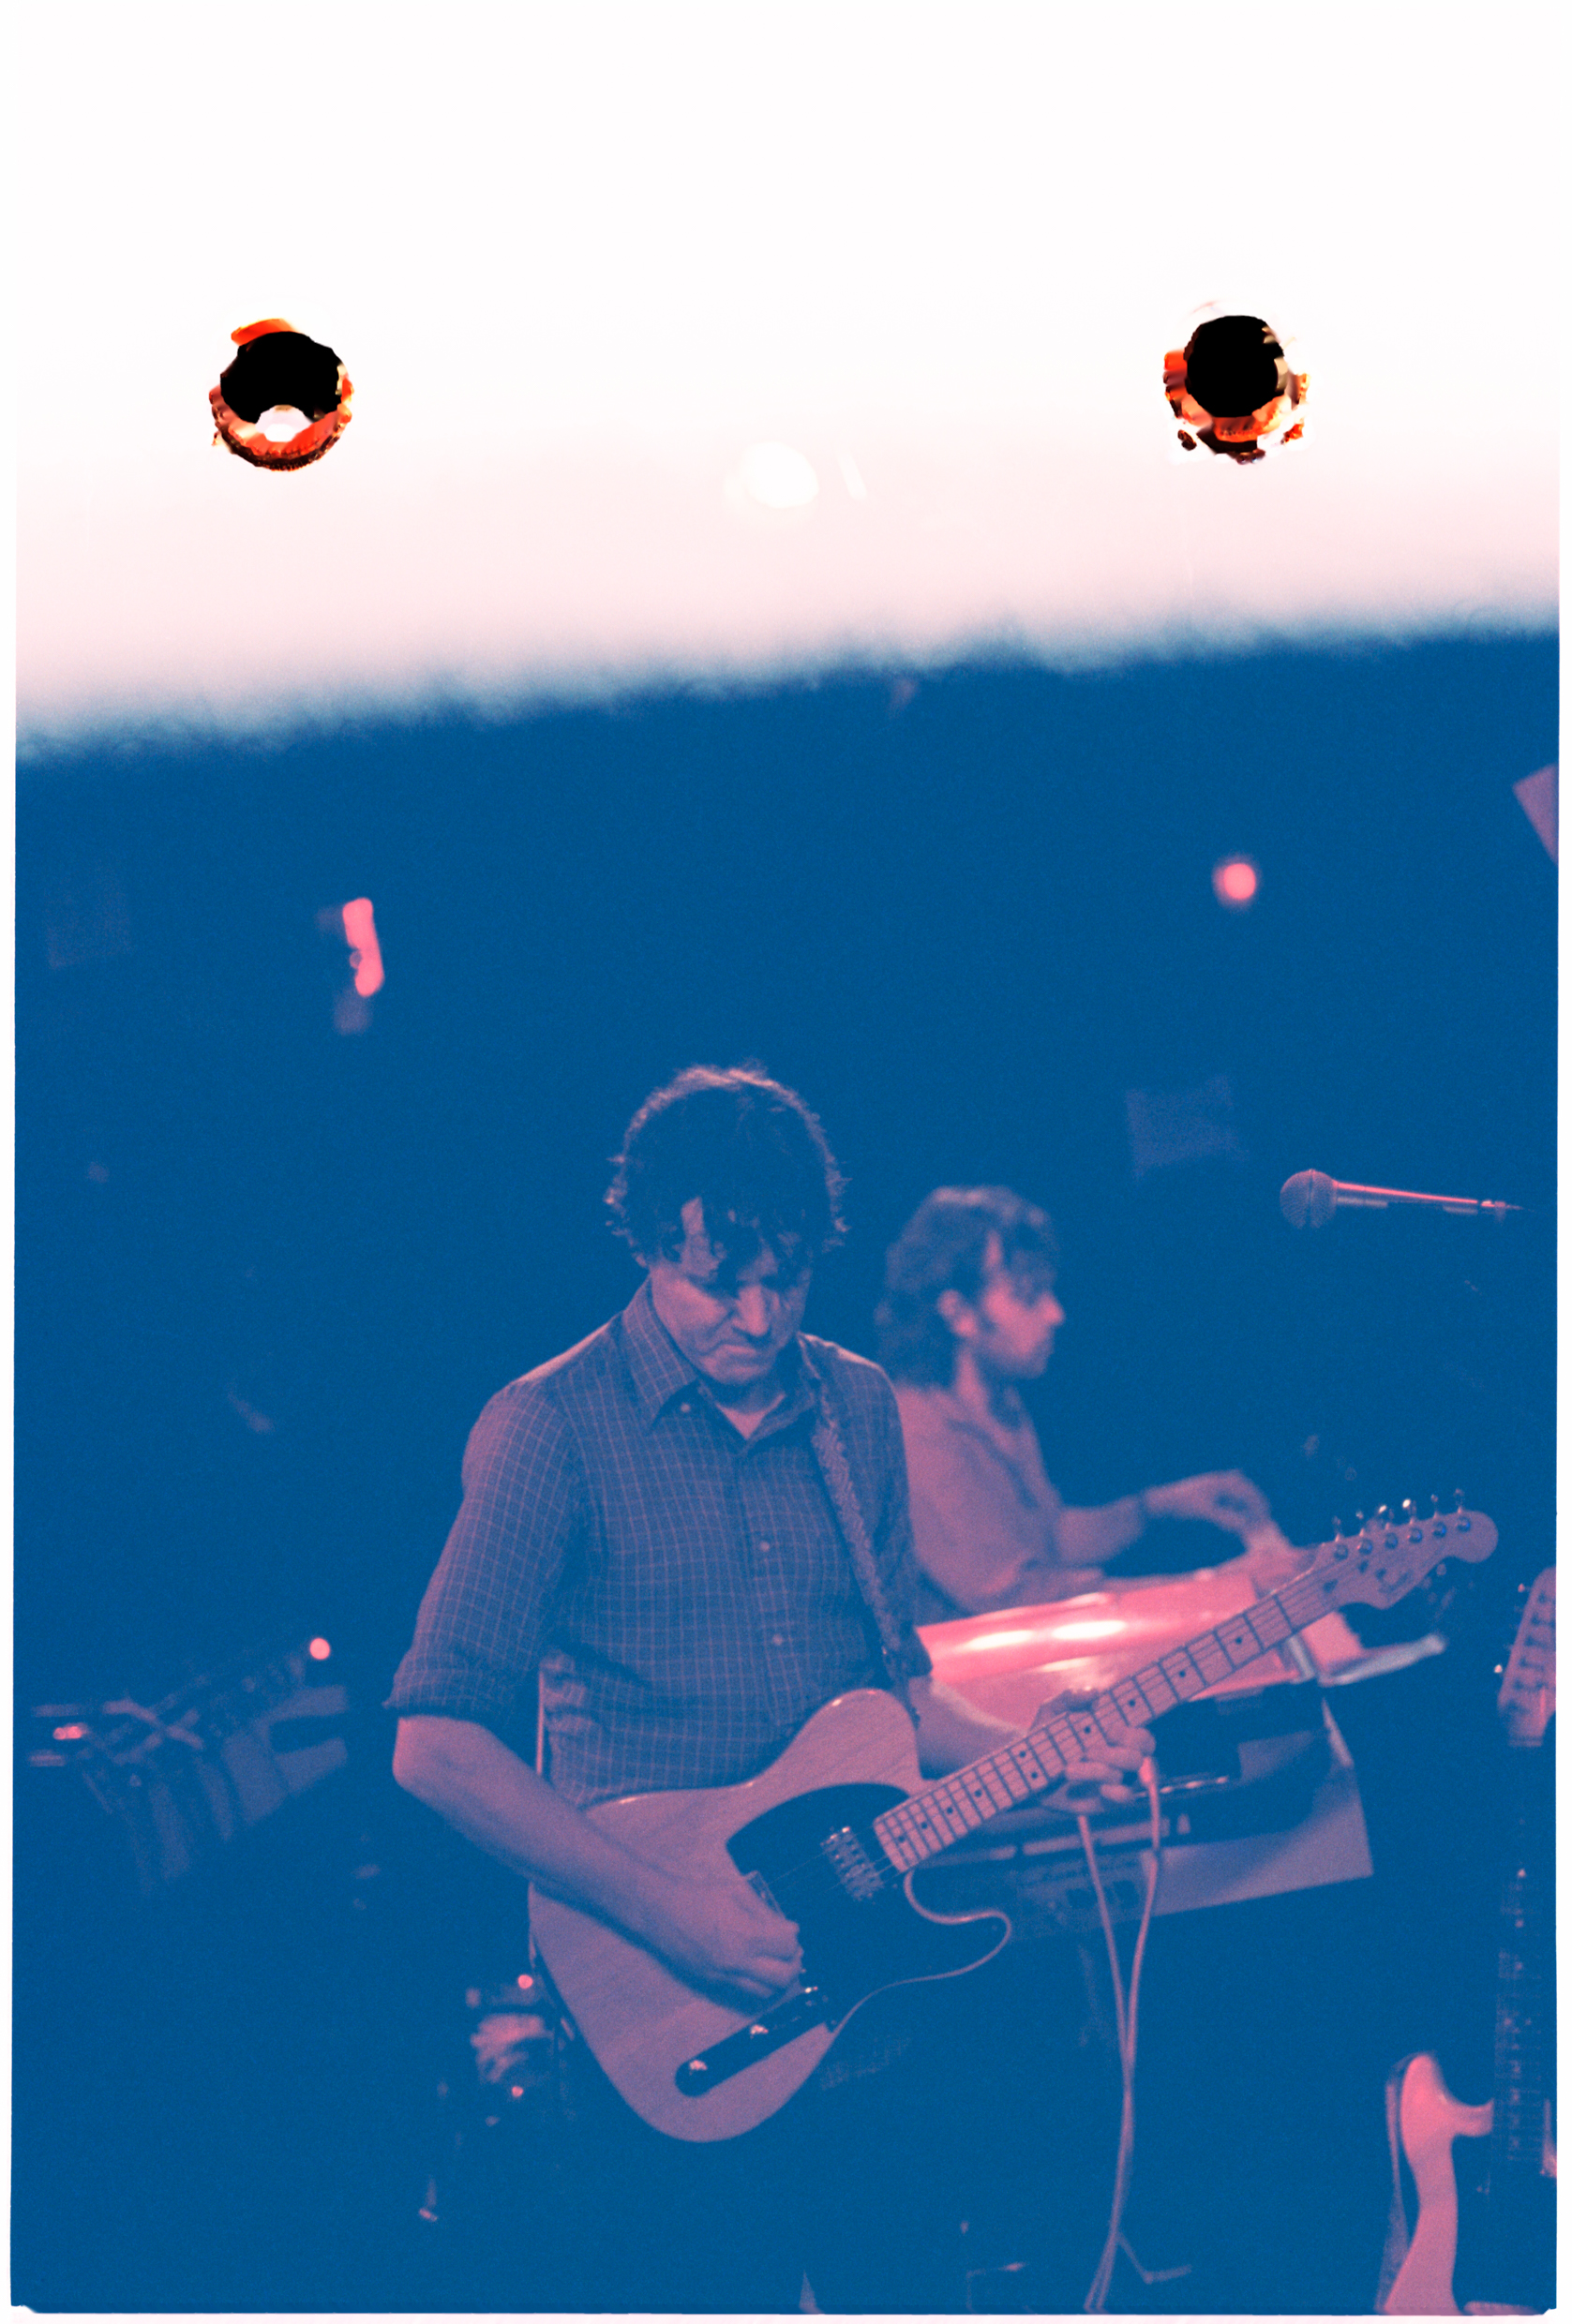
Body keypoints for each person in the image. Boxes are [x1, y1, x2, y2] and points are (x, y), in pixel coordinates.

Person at [389, 1069, 1151, 2313]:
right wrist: (672, 1914)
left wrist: (1032, 1743)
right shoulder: (549, 1427)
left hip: (867, 1992)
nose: (755, 1314)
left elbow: (893, 1698)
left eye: (786, 1277)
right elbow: (435, 1749)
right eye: (714, 1279)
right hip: (666, 1998)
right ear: (644, 1249)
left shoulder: (853, 1403)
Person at [877, 1184, 1277, 1623]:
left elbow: (1050, 1538)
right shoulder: (912, 1432)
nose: (1055, 1314)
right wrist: (1220, 1589)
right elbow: (1022, 1599)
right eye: (1027, 1297)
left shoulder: (1002, 1401)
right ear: (957, 1313)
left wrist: (1163, 1503)